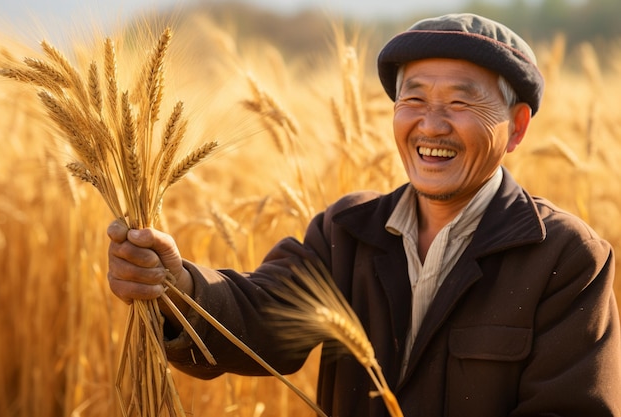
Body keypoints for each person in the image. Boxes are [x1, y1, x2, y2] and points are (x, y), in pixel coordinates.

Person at [107, 13, 621, 417]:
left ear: (516, 127)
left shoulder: (566, 257)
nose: (431, 124)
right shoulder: (346, 233)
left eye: (461, 104)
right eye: (413, 98)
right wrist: (177, 285)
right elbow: (260, 318)